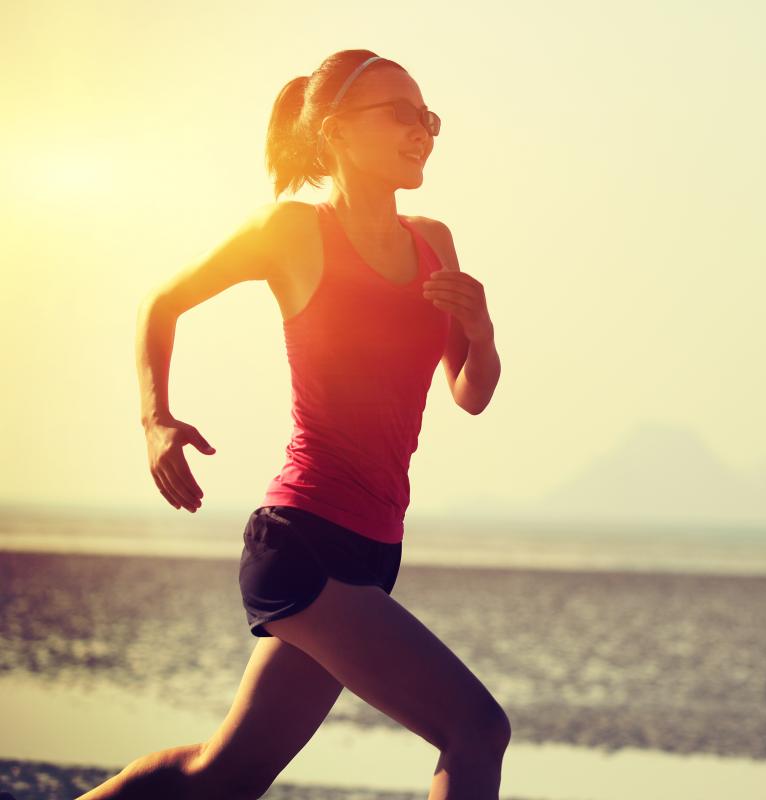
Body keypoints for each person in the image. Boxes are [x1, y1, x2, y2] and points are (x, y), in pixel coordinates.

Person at [84, 49, 506, 800]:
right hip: (302, 540)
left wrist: (483, 332)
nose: (423, 130)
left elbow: (470, 394)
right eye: (400, 113)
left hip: (376, 547)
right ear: (338, 131)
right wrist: (156, 421)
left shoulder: (434, 240)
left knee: (224, 776)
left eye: (428, 115)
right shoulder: (292, 231)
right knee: (476, 729)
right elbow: (162, 302)